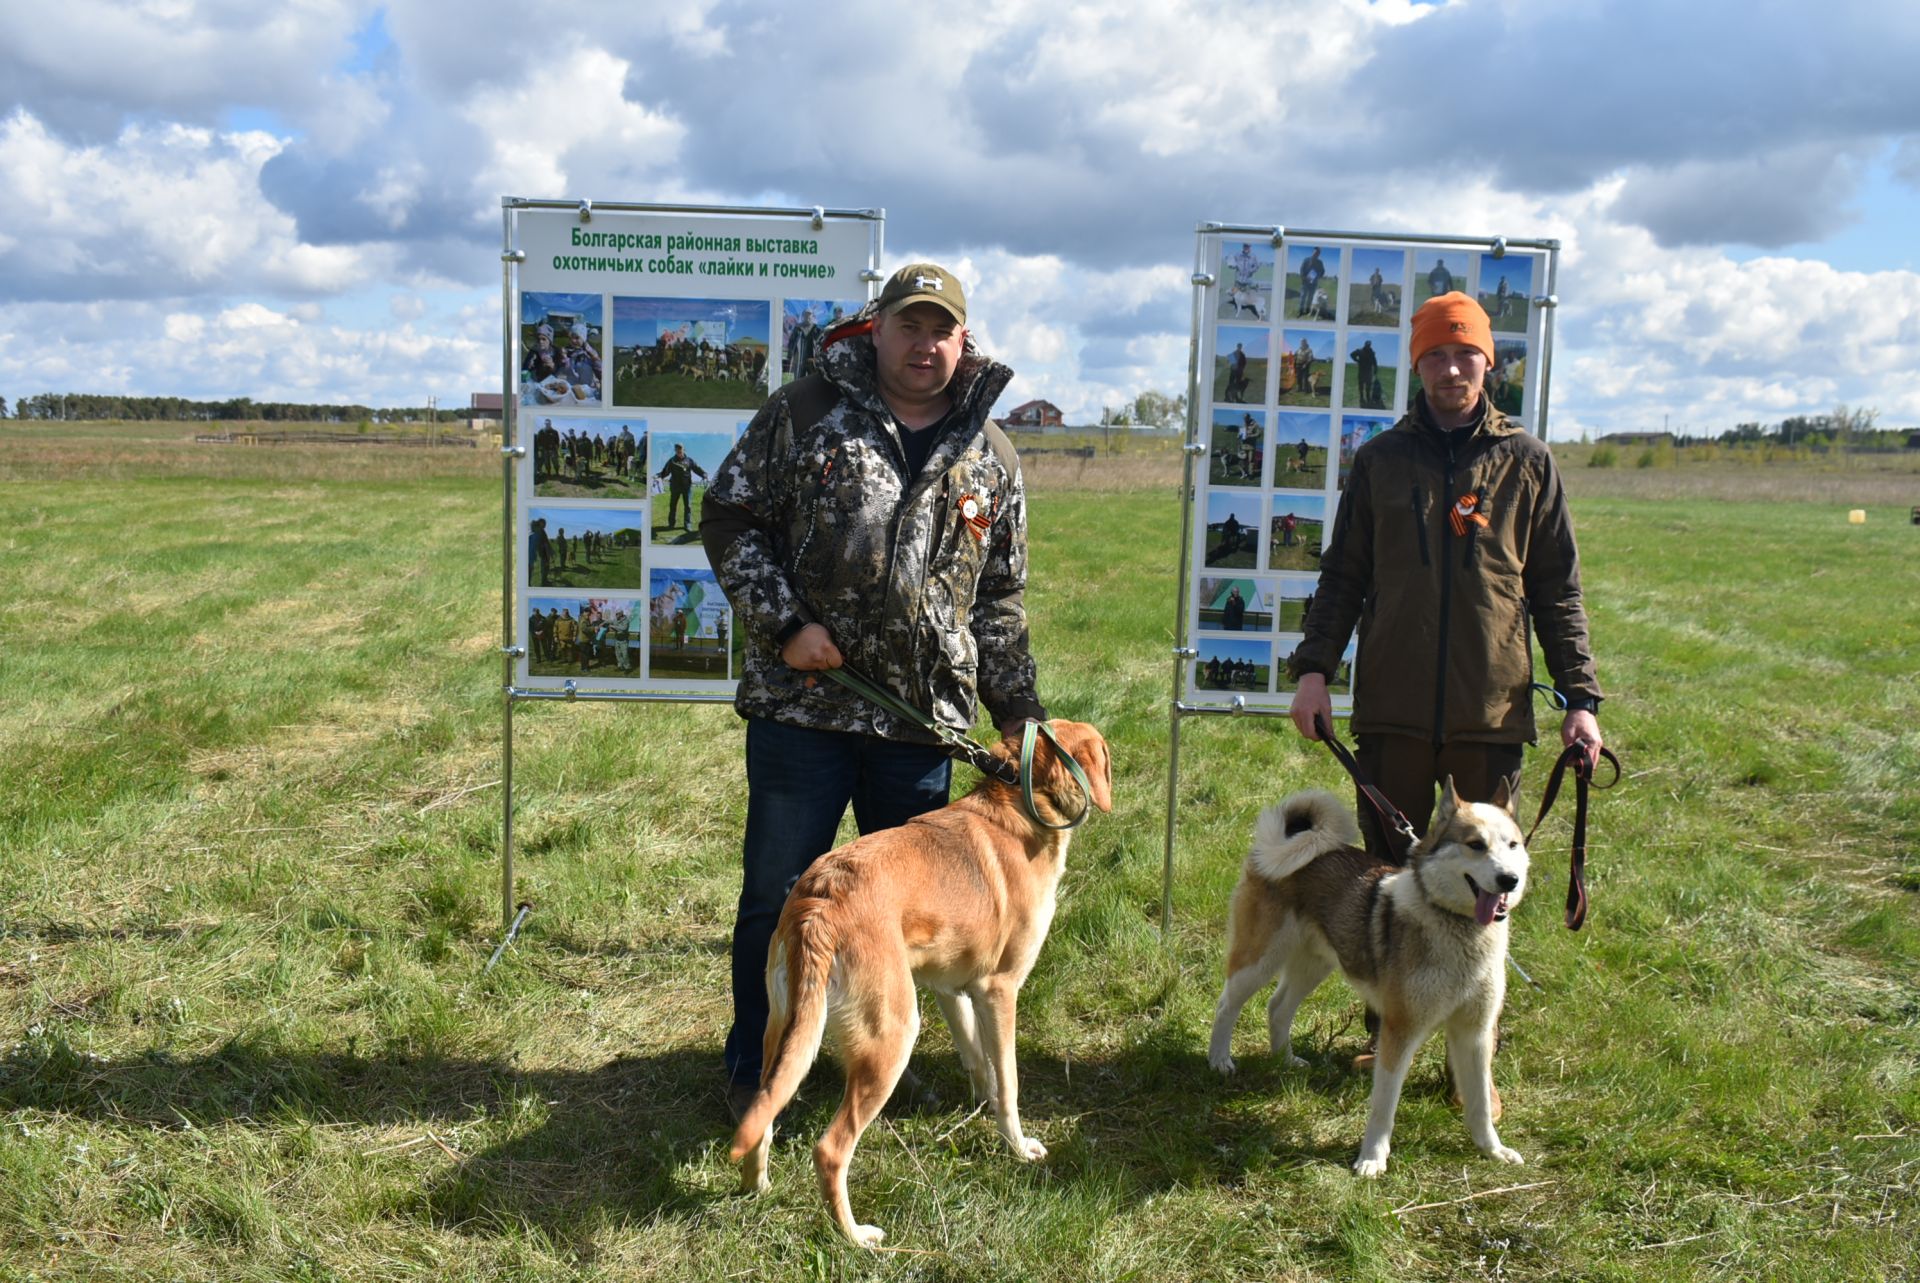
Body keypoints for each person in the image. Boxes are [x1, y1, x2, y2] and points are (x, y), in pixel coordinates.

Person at [701, 261, 1047, 1117]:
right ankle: (755, 1065)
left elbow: (998, 600)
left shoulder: (991, 454)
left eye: (942, 329)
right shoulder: (806, 413)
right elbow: (728, 517)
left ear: (962, 341)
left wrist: (1020, 721)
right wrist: (787, 625)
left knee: (909, 920)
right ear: (877, 328)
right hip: (804, 713)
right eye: (909, 325)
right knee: (784, 896)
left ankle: (875, 1056)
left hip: (920, 728)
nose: (924, 344)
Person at [1286, 291, 1603, 859]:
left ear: (1489, 361)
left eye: (1465, 352)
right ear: (1416, 364)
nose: (1451, 368)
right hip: (1393, 715)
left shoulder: (1528, 462)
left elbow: (1559, 594)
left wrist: (1580, 700)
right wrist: (1314, 672)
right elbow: (1342, 577)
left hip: (1490, 716)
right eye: (1435, 354)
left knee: (1480, 882)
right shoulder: (1379, 461)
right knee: (1390, 884)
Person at [655, 443, 709, 532]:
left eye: (680, 449)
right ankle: (671, 524)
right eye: (677, 449)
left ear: (684, 450)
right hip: (675, 486)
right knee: (673, 506)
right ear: (675, 450)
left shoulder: (689, 460)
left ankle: (687, 524)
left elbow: (697, 468)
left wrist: (703, 473)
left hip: (687, 487)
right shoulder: (672, 461)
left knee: (688, 506)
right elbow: (666, 471)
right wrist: (659, 475)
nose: (679, 451)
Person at [1351, 339, 1380, 409]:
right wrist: (1357, 360)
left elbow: (1374, 362)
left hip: (1368, 372)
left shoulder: (1372, 353)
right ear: (1365, 345)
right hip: (1361, 371)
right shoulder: (1360, 351)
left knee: (1368, 386)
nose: (1368, 346)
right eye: (1367, 345)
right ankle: (1361, 397)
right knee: (1361, 385)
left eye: (1369, 345)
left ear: (1370, 345)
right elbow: (1352, 354)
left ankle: (1368, 397)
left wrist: (1375, 369)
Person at [1297, 247, 1325, 317]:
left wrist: (1318, 276)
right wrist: (1304, 278)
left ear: (1319, 254)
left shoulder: (1320, 262)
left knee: (1310, 297)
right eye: (1315, 252)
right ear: (1312, 252)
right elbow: (1301, 269)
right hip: (1305, 282)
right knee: (1303, 297)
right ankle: (1300, 312)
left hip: (1313, 283)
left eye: (1317, 253)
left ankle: (1307, 311)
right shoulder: (1306, 260)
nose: (1316, 254)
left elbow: (1322, 271)